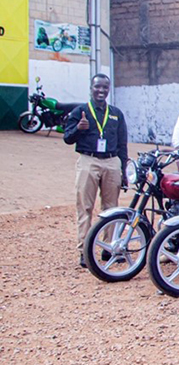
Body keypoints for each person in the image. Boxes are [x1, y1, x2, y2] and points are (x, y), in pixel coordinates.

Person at [63, 73, 128, 267]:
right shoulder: (80, 111)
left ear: (108, 89)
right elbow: (67, 138)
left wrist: (123, 170)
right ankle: (85, 250)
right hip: (88, 160)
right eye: (97, 87)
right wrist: (78, 129)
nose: (101, 90)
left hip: (111, 161)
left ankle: (109, 248)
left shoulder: (116, 113)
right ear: (91, 88)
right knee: (85, 207)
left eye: (105, 87)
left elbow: (122, 143)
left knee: (111, 208)